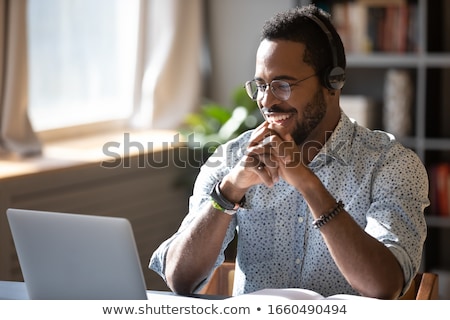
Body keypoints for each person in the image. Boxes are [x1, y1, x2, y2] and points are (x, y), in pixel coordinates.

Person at [149, 4, 429, 299]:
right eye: (260, 85)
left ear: (332, 82)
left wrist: (308, 184)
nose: (266, 101)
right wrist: (229, 191)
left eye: (282, 85)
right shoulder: (232, 160)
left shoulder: (392, 165)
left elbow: (383, 287)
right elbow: (179, 280)